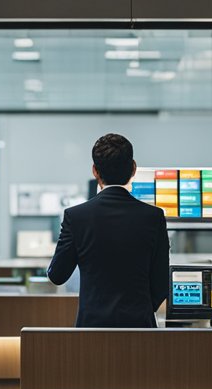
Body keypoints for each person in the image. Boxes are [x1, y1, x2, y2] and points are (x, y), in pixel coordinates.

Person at [47, 133, 170, 327]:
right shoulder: (153, 217)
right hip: (140, 328)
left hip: (92, 329)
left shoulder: (76, 217)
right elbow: (162, 283)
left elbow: (57, 275)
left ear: (95, 171)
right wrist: (141, 309)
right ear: (133, 168)